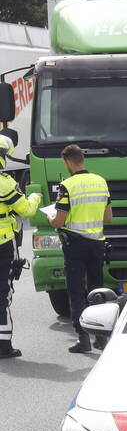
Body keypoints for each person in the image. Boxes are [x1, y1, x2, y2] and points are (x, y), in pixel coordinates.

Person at [47, 144, 112, 353]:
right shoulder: (101, 182)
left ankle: (82, 339)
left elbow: (59, 221)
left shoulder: (67, 185)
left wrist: (50, 217)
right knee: (97, 290)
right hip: (98, 243)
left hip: (75, 244)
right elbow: (108, 217)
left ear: (67, 162)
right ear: (82, 158)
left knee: (76, 290)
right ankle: (101, 337)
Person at [0, 134, 41, 358]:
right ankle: (3, 344)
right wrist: (34, 196)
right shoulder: (5, 183)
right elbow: (26, 210)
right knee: (2, 294)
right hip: (3, 244)